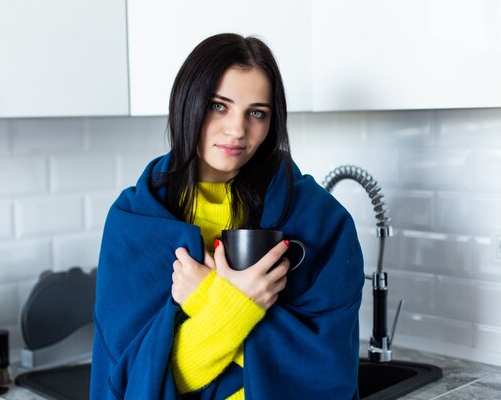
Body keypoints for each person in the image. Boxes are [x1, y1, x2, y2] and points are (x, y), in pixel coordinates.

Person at [91, 33, 364, 400]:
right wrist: (236, 306)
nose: (237, 130)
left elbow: (328, 375)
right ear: (187, 103)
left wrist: (207, 296)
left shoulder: (321, 222)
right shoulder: (134, 222)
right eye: (219, 106)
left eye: (256, 113)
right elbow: (140, 383)